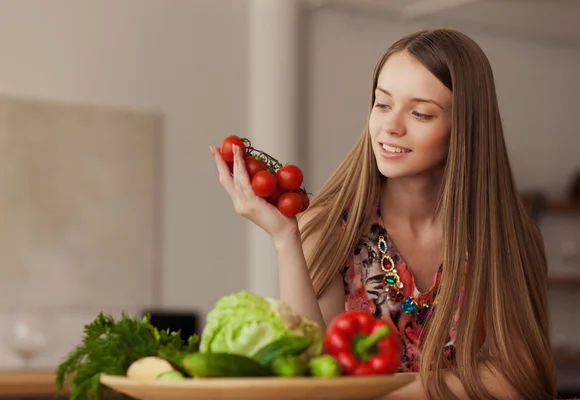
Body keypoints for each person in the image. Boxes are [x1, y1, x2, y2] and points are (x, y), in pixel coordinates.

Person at [210, 28, 556, 400]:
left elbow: (523, 378)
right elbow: (311, 380)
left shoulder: (507, 237)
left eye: (421, 113)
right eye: (383, 104)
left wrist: (375, 392)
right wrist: (285, 239)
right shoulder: (329, 229)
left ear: (464, 128)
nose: (391, 126)